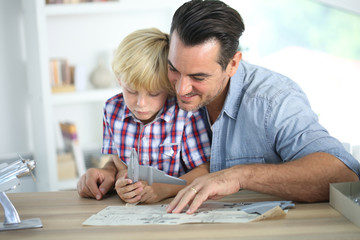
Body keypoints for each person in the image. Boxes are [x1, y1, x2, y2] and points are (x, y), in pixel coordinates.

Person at [165, 0, 360, 214]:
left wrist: (239, 175)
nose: (181, 89)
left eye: (198, 77)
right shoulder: (157, 85)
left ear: (233, 64)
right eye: (174, 69)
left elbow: (344, 177)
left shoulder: (274, 100)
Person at [77, 28, 211, 204]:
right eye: (131, 91)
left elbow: (205, 170)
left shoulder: (185, 114)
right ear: (119, 80)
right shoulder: (112, 109)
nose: (140, 103)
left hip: (178, 205)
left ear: (170, 87)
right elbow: (119, 164)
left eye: (154, 94)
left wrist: (164, 189)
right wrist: (122, 183)